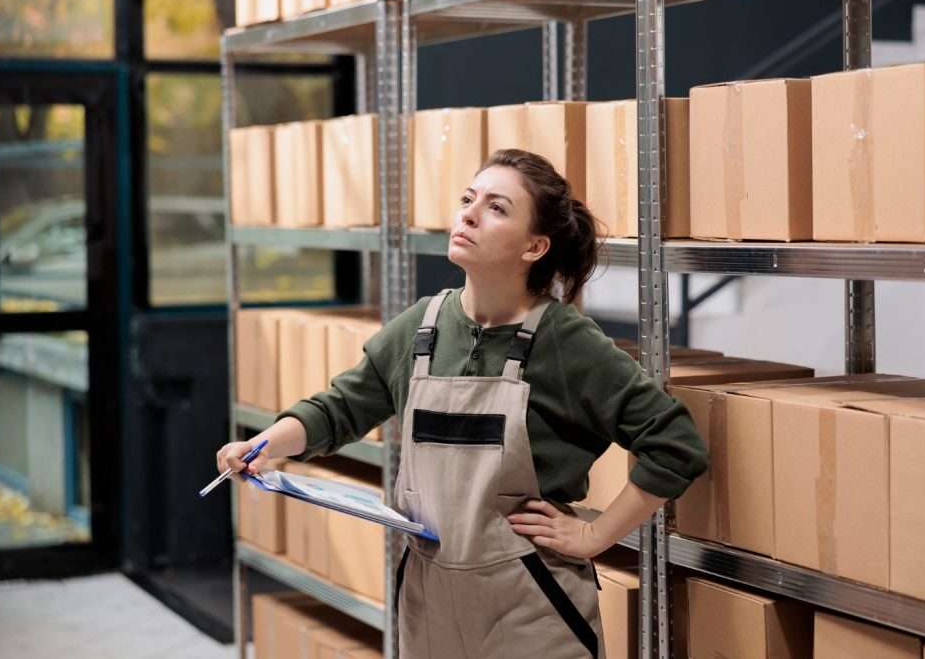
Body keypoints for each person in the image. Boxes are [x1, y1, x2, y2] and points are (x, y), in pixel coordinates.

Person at [216, 149, 709, 659]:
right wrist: (263, 444)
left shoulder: (565, 341)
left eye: (496, 208)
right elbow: (339, 408)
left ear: (535, 246)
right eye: (468, 199)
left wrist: (594, 535)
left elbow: (675, 445)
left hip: (531, 604)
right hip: (430, 603)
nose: (469, 215)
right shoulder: (421, 328)